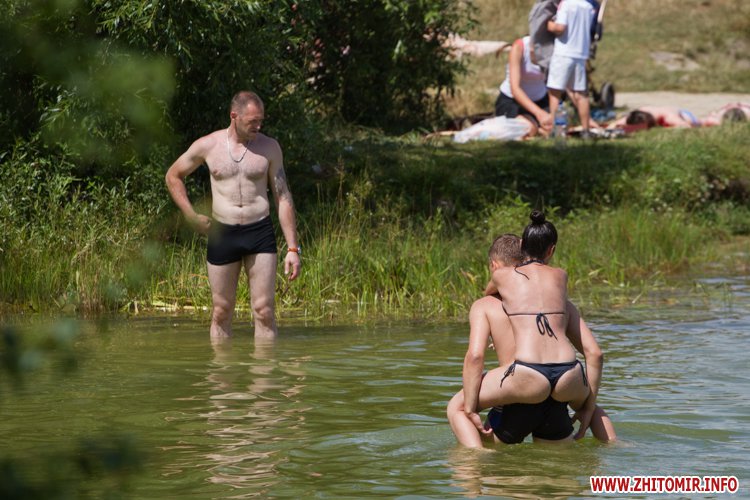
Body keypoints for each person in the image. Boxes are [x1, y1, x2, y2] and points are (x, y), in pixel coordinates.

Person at [446, 234, 616, 447]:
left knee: (457, 408)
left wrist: (471, 408)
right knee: (588, 404)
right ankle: (615, 446)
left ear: (494, 266)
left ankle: (474, 457)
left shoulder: (486, 305)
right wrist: (587, 404)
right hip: (558, 392)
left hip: (520, 388)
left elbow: (474, 356)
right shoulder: (558, 304)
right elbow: (594, 353)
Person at [165, 91, 301, 340]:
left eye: (261, 121)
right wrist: (191, 215)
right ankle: (222, 366)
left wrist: (293, 248)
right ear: (234, 116)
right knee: (221, 311)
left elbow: (283, 197)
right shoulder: (208, 145)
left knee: (264, 311)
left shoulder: (269, 147)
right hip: (222, 233)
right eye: (252, 122)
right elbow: (173, 176)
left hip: (259, 231)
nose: (258, 126)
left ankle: (265, 366)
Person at [546, 0, 597, 135]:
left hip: (564, 52)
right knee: (581, 93)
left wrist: (549, 25)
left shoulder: (566, 4)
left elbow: (560, 28)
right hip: (580, 53)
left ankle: (556, 130)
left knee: (555, 91)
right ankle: (586, 130)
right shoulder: (588, 6)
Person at [494, 36, 553, 138]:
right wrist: (539, 113)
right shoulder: (519, 48)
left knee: (555, 126)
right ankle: (537, 129)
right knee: (528, 127)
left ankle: (538, 128)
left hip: (541, 100)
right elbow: (515, 89)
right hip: (512, 101)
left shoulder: (555, 48)